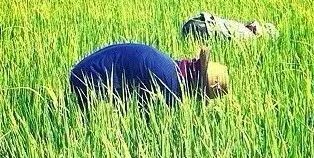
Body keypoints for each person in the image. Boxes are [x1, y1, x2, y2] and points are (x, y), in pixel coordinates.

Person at [69, 42, 228, 110]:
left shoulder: (170, 64)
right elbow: (144, 119)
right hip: (88, 80)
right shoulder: (171, 87)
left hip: (85, 69)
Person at [181, 12, 279, 39]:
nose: (254, 23)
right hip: (201, 24)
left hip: (203, 28)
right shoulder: (243, 28)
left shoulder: (248, 37)